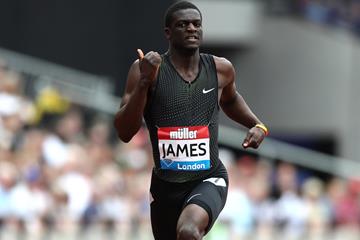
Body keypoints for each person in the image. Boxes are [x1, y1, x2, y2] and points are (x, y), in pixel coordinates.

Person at [114, 1, 268, 239]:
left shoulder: (220, 69)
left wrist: (257, 125)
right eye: (183, 25)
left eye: (197, 24)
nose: (191, 29)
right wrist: (144, 82)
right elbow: (125, 131)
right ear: (168, 32)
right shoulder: (146, 70)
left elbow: (230, 99)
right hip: (166, 186)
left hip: (208, 177)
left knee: (188, 231)